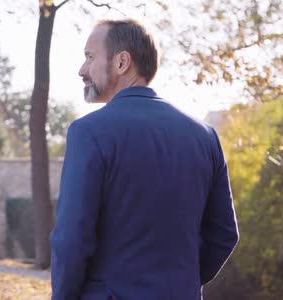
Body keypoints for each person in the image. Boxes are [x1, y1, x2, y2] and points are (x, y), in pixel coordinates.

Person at [50, 19, 239, 300]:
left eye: (90, 57)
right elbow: (224, 234)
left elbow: (71, 240)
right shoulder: (205, 136)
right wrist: (181, 282)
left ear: (122, 62)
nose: (82, 70)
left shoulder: (88, 133)